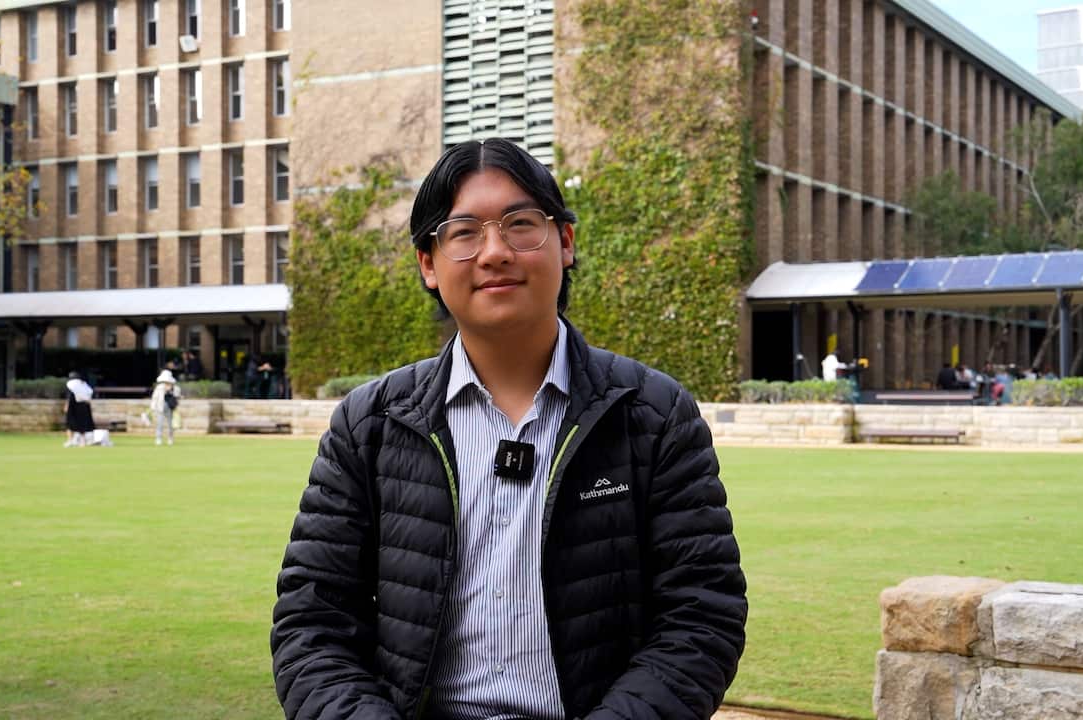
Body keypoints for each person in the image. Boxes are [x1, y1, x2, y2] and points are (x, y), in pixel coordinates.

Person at [271, 138, 747, 720]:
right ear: (428, 262)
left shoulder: (652, 413)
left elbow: (701, 614)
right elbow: (313, 622)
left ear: (565, 242)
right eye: (464, 232)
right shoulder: (369, 424)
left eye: (521, 224)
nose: (495, 251)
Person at [63, 372, 95, 447]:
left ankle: (70, 440)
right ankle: (82, 441)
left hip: (73, 405)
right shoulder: (84, 384)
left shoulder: (70, 384)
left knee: (69, 423)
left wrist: (66, 406)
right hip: (84, 405)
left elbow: (69, 396)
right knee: (82, 423)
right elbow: (89, 394)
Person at [149, 369, 180, 446]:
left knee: (170, 424)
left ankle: (170, 438)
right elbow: (155, 397)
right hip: (160, 407)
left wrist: (171, 391)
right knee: (159, 423)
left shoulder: (175, 388)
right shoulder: (159, 387)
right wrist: (153, 407)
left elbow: (177, 398)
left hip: (170, 408)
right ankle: (158, 438)